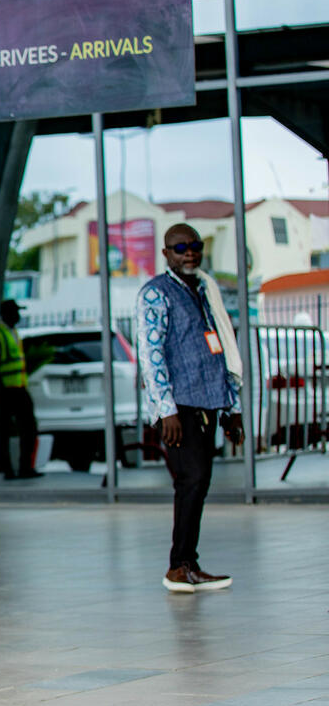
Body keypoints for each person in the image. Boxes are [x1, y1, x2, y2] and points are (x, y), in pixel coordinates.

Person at [137, 224, 242, 593]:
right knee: (191, 480)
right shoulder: (156, 294)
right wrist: (165, 410)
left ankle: (188, 563)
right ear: (166, 253)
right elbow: (151, 356)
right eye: (180, 247)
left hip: (209, 401)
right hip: (179, 406)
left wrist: (232, 407)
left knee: (199, 482)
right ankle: (179, 566)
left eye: (195, 245)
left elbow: (222, 350)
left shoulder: (204, 290)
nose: (189, 253)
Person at [0, 299, 41, 479]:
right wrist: (0, 386)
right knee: (3, 431)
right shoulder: (0, 333)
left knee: (29, 427)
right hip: (5, 390)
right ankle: (7, 469)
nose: (18, 316)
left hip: (19, 387)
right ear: (6, 314)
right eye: (15, 312)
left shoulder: (12, 332)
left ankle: (25, 467)